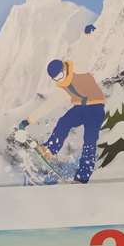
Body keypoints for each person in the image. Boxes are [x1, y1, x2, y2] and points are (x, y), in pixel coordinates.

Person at [18, 25, 105, 183]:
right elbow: (47, 106)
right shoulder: (62, 87)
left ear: (64, 69)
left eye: (61, 75)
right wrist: (28, 121)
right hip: (80, 109)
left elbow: (84, 53)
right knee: (64, 121)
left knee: (90, 141)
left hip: (96, 107)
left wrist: (86, 34)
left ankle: (82, 177)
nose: (60, 80)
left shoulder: (78, 69)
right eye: (56, 79)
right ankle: (49, 150)